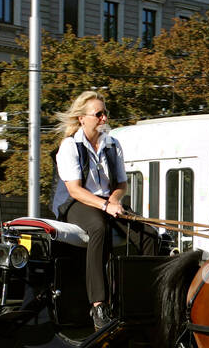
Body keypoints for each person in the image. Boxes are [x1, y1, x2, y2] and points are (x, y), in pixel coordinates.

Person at [52, 90, 155, 328]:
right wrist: (105, 205)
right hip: (78, 203)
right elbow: (75, 190)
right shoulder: (69, 146)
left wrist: (116, 200)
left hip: (108, 202)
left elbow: (121, 184)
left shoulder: (112, 144)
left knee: (148, 233)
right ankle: (98, 305)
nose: (104, 119)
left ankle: (144, 297)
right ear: (82, 118)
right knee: (98, 228)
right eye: (98, 114)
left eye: (105, 113)